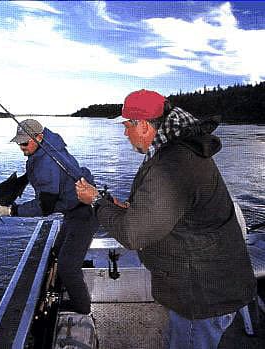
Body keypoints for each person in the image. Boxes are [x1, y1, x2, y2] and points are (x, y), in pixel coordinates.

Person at [75, 89, 256, 348]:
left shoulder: (170, 165)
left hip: (202, 295)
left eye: (127, 126)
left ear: (145, 126)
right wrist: (124, 207)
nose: (125, 133)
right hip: (211, 284)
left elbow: (133, 235)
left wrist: (95, 201)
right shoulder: (180, 151)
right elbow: (175, 211)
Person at [0, 119, 98, 314]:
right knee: (59, 250)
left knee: (68, 267)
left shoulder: (46, 163)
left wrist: (11, 211)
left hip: (84, 214)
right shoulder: (50, 146)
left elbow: (45, 207)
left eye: (25, 143)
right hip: (72, 210)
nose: (21, 147)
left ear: (39, 137)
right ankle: (67, 287)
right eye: (19, 143)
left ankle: (82, 307)